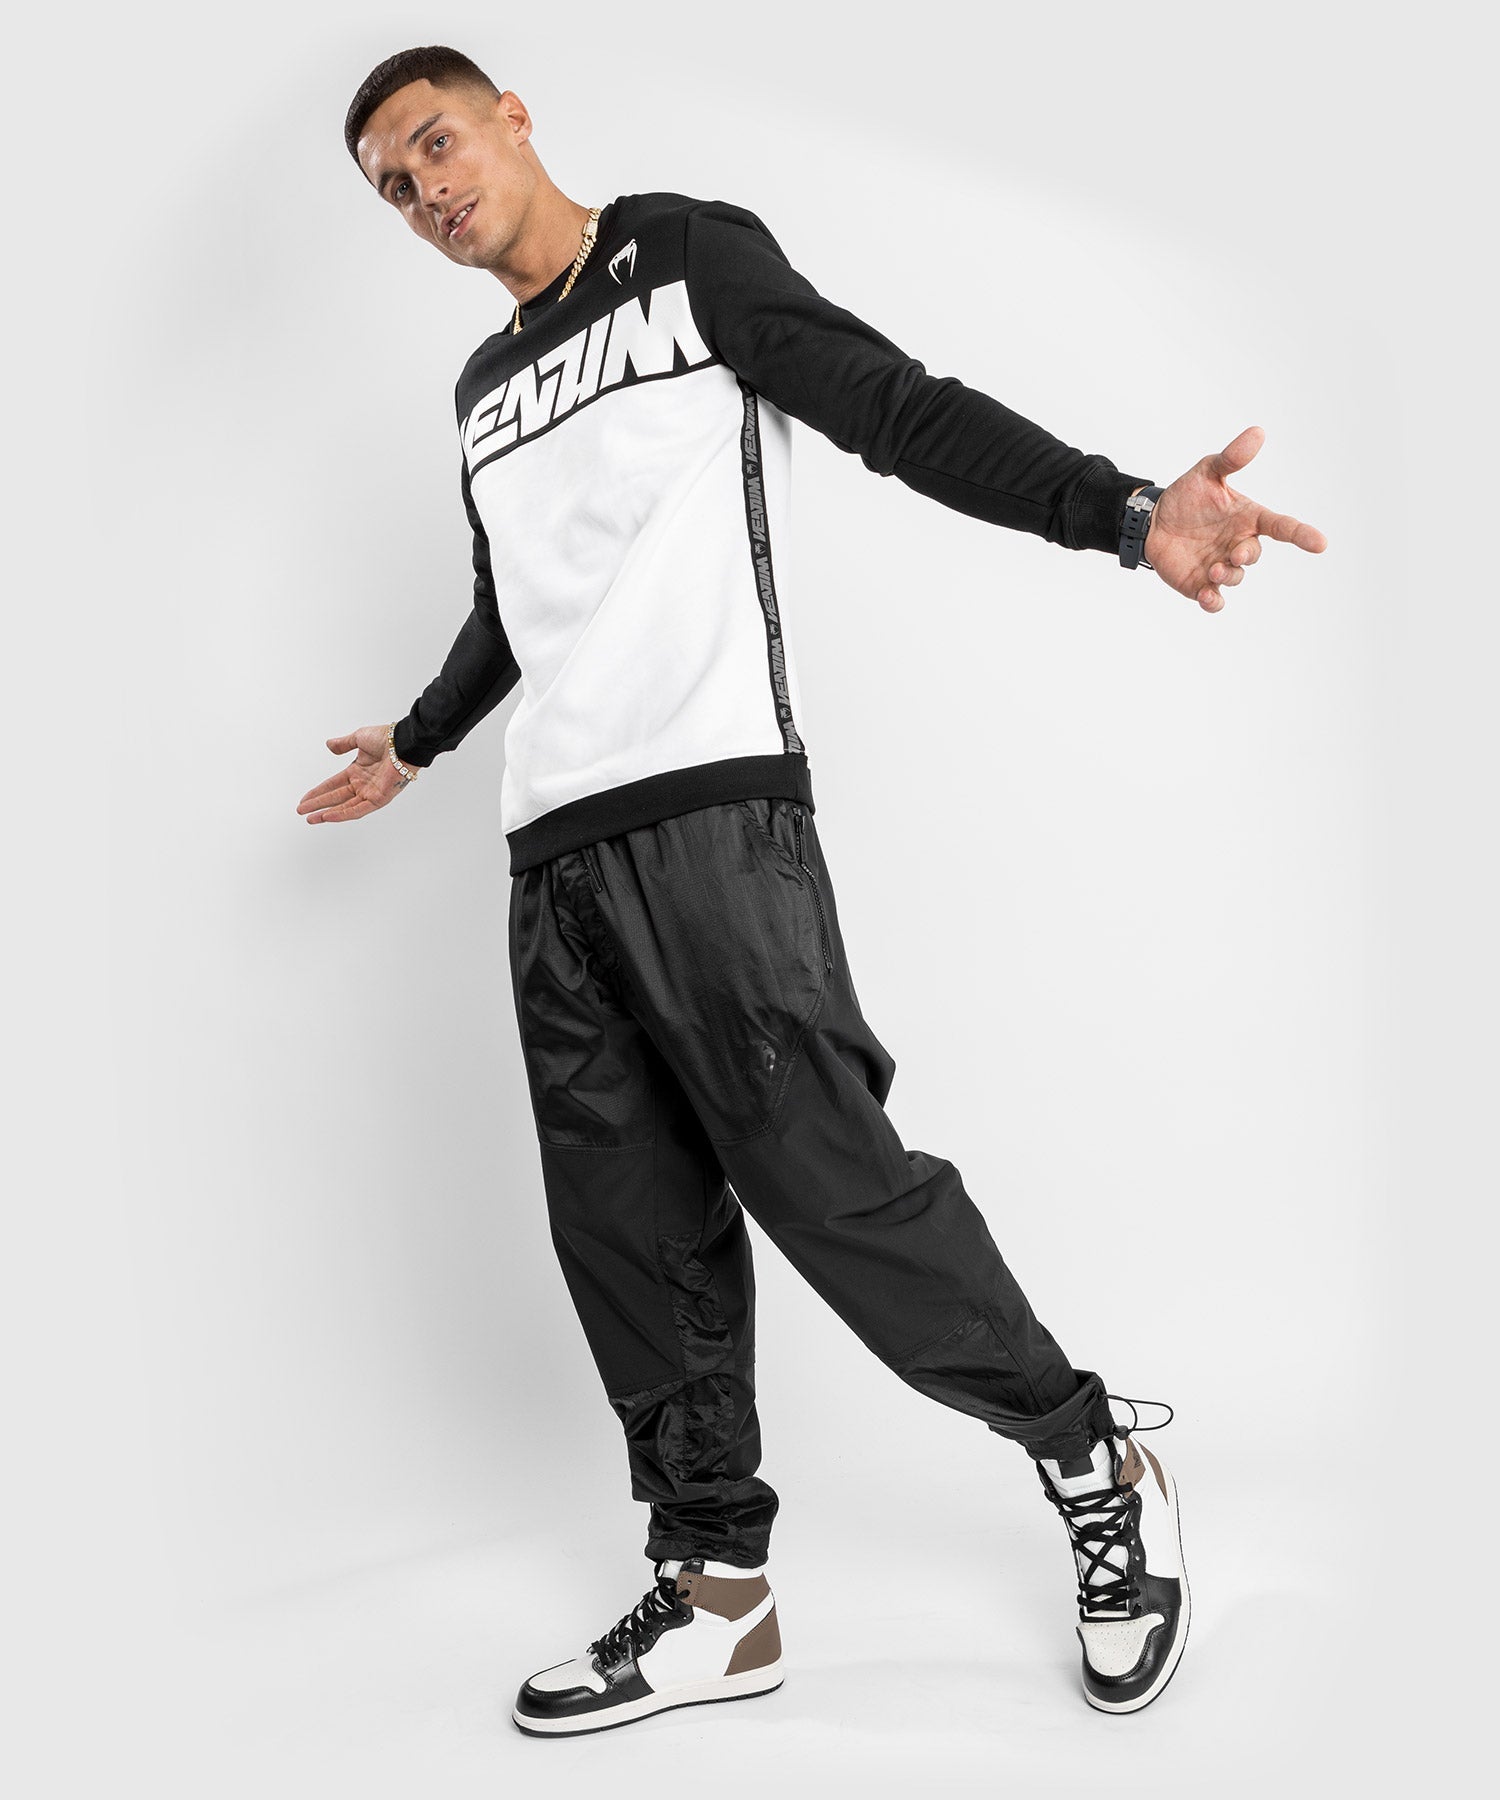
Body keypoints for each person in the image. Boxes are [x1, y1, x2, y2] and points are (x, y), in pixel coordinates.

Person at [299, 43, 1326, 1737]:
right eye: (395, 191)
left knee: (834, 1187)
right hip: (551, 852)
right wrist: (417, 740)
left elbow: (896, 409)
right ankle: (716, 1589)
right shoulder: (482, 387)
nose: (429, 195)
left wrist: (1128, 511)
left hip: (715, 818)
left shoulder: (685, 256)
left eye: (438, 145)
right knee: (626, 1229)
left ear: (513, 118)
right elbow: (517, 604)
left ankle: (1092, 1457)